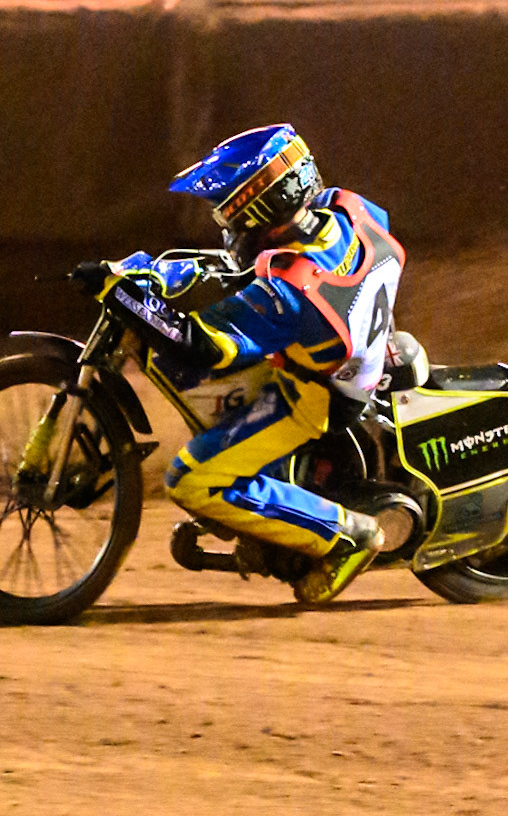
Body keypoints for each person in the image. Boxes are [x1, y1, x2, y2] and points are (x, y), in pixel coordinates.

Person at [74, 124, 401, 603]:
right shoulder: (348, 209)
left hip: (313, 399)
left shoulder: (288, 293)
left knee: (189, 479)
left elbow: (201, 345)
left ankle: (347, 536)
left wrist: (125, 297)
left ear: (265, 207)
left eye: (232, 213)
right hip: (362, 351)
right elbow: (252, 271)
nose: (226, 224)